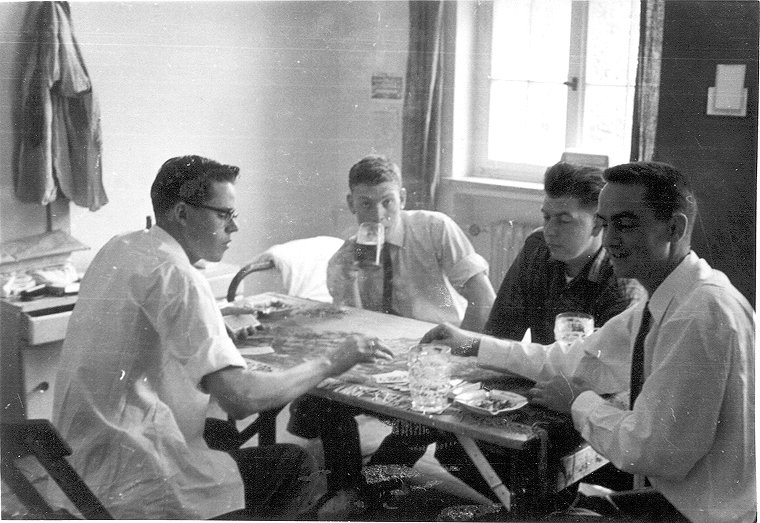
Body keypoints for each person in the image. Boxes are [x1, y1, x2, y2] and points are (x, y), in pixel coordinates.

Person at [50, 155, 393, 520]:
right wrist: (333, 361)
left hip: (79, 461)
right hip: (136, 477)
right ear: (182, 213)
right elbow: (240, 398)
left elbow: (143, 325)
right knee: (296, 463)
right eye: (223, 215)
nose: (234, 227)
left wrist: (215, 321)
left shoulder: (122, 246)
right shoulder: (178, 276)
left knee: (221, 434)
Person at [423, 162, 755, 522]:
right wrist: (474, 345)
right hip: (685, 501)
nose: (609, 238)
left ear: (674, 228)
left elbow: (652, 452)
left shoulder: (696, 315)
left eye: (625, 225)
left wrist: (577, 402)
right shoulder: (674, 298)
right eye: (605, 223)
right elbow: (572, 359)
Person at [367, 161, 646, 497]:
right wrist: (465, 350)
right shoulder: (537, 247)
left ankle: (542, 504)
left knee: (467, 445)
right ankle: (369, 488)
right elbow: (502, 332)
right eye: (546, 217)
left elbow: (603, 376)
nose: (550, 230)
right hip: (540, 383)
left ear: (598, 224)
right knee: (440, 413)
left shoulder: (622, 277)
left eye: (564, 220)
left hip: (592, 402)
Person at [286, 154, 496, 516]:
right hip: (384, 357)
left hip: (438, 351)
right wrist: (347, 283)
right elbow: (354, 330)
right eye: (366, 203)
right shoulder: (344, 258)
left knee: (421, 417)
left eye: (387, 202)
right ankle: (346, 487)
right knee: (322, 395)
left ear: (402, 198)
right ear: (351, 204)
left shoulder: (434, 228)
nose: (378, 214)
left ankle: (369, 489)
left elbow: (484, 298)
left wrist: (463, 358)